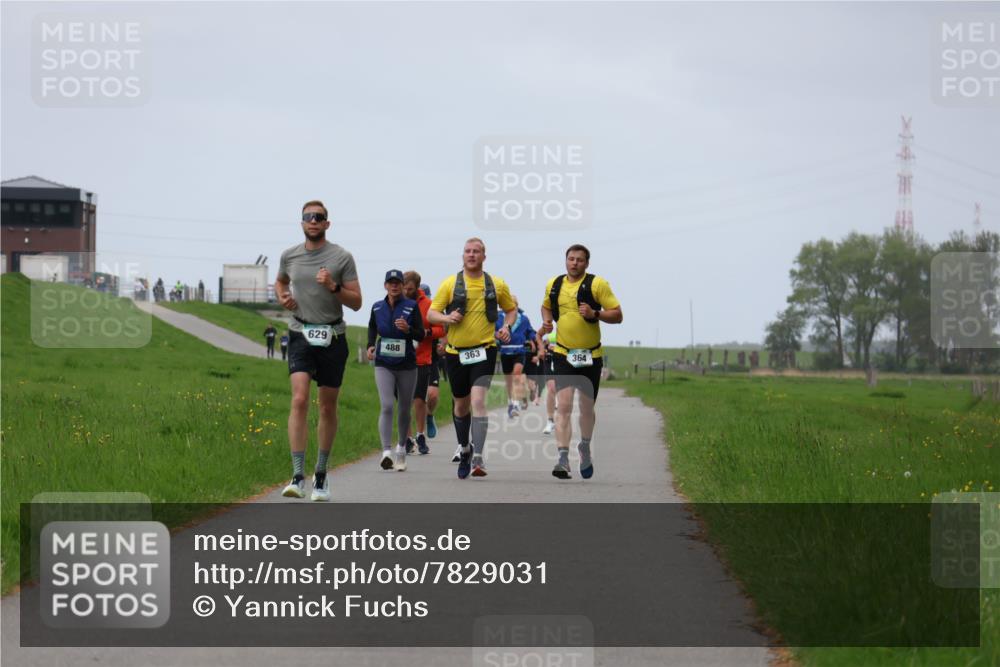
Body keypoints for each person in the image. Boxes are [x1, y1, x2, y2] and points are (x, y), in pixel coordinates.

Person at [275, 200, 362, 501]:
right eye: (308, 217)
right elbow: (280, 282)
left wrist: (334, 286)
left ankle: (321, 474)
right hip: (300, 332)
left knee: (326, 406)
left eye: (319, 217)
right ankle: (297, 476)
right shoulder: (289, 256)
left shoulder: (341, 257)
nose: (313, 221)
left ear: (327, 223)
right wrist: (283, 297)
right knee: (299, 399)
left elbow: (357, 302)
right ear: (301, 223)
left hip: (332, 336)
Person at [427, 238, 516, 479]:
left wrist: (506, 327)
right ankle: (465, 449)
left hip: (485, 350)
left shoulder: (496, 284)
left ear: (484, 256)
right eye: (468, 251)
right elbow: (432, 314)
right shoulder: (450, 284)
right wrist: (447, 319)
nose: (472, 255)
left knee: (478, 401)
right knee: (461, 405)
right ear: (463, 256)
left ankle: (478, 455)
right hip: (456, 353)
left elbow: (511, 309)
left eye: (476, 251)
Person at [539, 244, 622, 480]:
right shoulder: (554, 284)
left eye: (579, 260)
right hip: (563, 354)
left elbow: (618, 315)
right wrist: (547, 322)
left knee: (586, 408)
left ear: (587, 263)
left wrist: (596, 314)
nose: (574, 263)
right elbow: (545, 306)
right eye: (571, 259)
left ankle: (584, 446)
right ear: (566, 260)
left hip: (590, 356)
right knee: (563, 406)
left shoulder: (597, 285)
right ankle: (563, 459)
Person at [368, 270, 425, 471]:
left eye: (397, 283)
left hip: (406, 365)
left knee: (404, 408)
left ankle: (401, 448)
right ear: (385, 285)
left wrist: (408, 330)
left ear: (402, 286)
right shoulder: (377, 307)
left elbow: (421, 334)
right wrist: (370, 345)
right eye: (390, 283)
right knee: (386, 405)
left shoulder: (411, 306)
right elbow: (372, 327)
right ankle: (386, 452)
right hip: (384, 363)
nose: (394, 286)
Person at [402, 272, 445, 455]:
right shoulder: (396, 301)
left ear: (417, 287)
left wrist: (426, 333)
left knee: (421, 399)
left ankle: (420, 435)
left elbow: (441, 329)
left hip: (423, 358)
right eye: (404, 288)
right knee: (405, 401)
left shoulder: (429, 305)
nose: (406, 292)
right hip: (401, 358)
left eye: (409, 289)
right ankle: (408, 439)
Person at [496, 299, 536, 419]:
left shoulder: (524, 318)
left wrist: (532, 341)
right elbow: (491, 330)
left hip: (519, 351)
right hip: (505, 351)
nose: (512, 307)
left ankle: (515, 404)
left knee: (517, 375)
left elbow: (530, 332)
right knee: (509, 381)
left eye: (514, 305)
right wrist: (496, 335)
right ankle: (510, 402)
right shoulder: (498, 317)